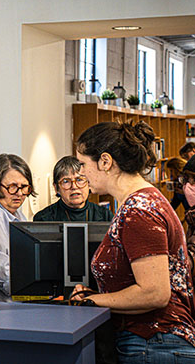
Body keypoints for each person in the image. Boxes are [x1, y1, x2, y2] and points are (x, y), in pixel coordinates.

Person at [71, 120, 195, 363]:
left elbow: (155, 293)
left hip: (153, 343)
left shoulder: (139, 211)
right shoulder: (144, 201)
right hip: (153, 342)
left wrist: (91, 300)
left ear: (105, 162)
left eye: (83, 164)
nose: (81, 173)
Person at [0, 154, 36, 296]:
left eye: (24, 187)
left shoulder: (17, 214)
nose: (19, 193)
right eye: (12, 187)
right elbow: (0, 269)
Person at [33, 156, 113, 222]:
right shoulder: (43, 219)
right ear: (56, 188)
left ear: (89, 183)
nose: (74, 186)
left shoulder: (105, 216)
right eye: (66, 181)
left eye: (79, 180)